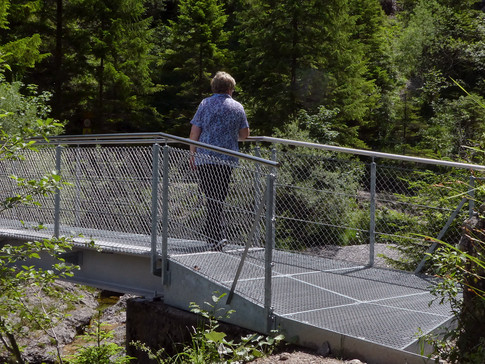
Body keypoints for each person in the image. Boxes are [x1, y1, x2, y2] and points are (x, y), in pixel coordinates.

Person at [189, 71, 250, 250]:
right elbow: (245, 135)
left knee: (212, 197)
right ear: (230, 88)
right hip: (226, 159)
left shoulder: (205, 104)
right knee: (218, 196)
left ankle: (213, 236)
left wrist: (192, 154)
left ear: (214, 87)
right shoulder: (237, 107)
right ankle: (215, 235)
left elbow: (194, 132)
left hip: (204, 158)